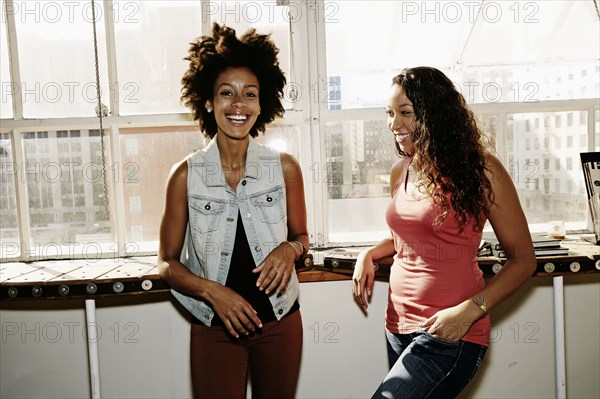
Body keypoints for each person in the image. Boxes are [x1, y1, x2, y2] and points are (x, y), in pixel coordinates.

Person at [352, 66, 537, 399]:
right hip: (397, 324)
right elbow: (408, 241)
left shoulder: (483, 171)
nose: (394, 125)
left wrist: (469, 311)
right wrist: (369, 253)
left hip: (451, 330)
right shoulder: (403, 170)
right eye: (390, 114)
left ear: (435, 113)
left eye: (405, 113)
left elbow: (523, 260)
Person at [157, 23, 308, 399]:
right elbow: (166, 264)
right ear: (208, 101)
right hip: (214, 329)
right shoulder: (185, 176)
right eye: (227, 93)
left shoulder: (285, 169)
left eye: (249, 95)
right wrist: (213, 292)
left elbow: (303, 239)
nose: (238, 104)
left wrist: (288, 250)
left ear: (262, 103)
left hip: (279, 323)